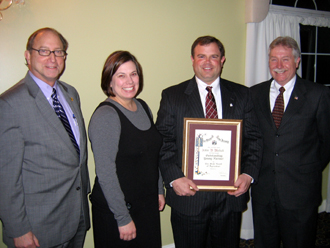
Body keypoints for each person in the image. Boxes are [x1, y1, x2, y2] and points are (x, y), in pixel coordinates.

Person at [155, 35, 263, 248]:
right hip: (188, 196)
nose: (207, 62)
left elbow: (254, 139)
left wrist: (248, 174)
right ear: (192, 60)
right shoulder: (173, 96)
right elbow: (163, 142)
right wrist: (174, 177)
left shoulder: (242, 94)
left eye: (213, 56)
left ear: (222, 60)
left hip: (229, 198)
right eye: (201, 56)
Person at [0, 27, 90, 248]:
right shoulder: (10, 103)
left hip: (76, 216)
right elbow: (5, 179)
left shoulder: (71, 93)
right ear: (28, 55)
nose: (52, 58)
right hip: (38, 229)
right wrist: (18, 230)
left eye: (58, 51)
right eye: (44, 51)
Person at [250, 36, 330, 248]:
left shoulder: (318, 94)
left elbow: (327, 142)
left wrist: (305, 168)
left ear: (297, 61)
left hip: (300, 191)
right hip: (263, 190)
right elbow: (250, 139)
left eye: (285, 59)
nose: (279, 66)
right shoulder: (254, 93)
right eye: (273, 59)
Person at [88, 50, 165, 248]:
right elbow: (106, 173)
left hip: (145, 204)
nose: (129, 81)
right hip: (119, 211)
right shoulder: (106, 116)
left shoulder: (142, 107)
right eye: (120, 75)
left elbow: (151, 154)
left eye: (133, 74)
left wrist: (158, 189)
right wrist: (122, 218)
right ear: (109, 82)